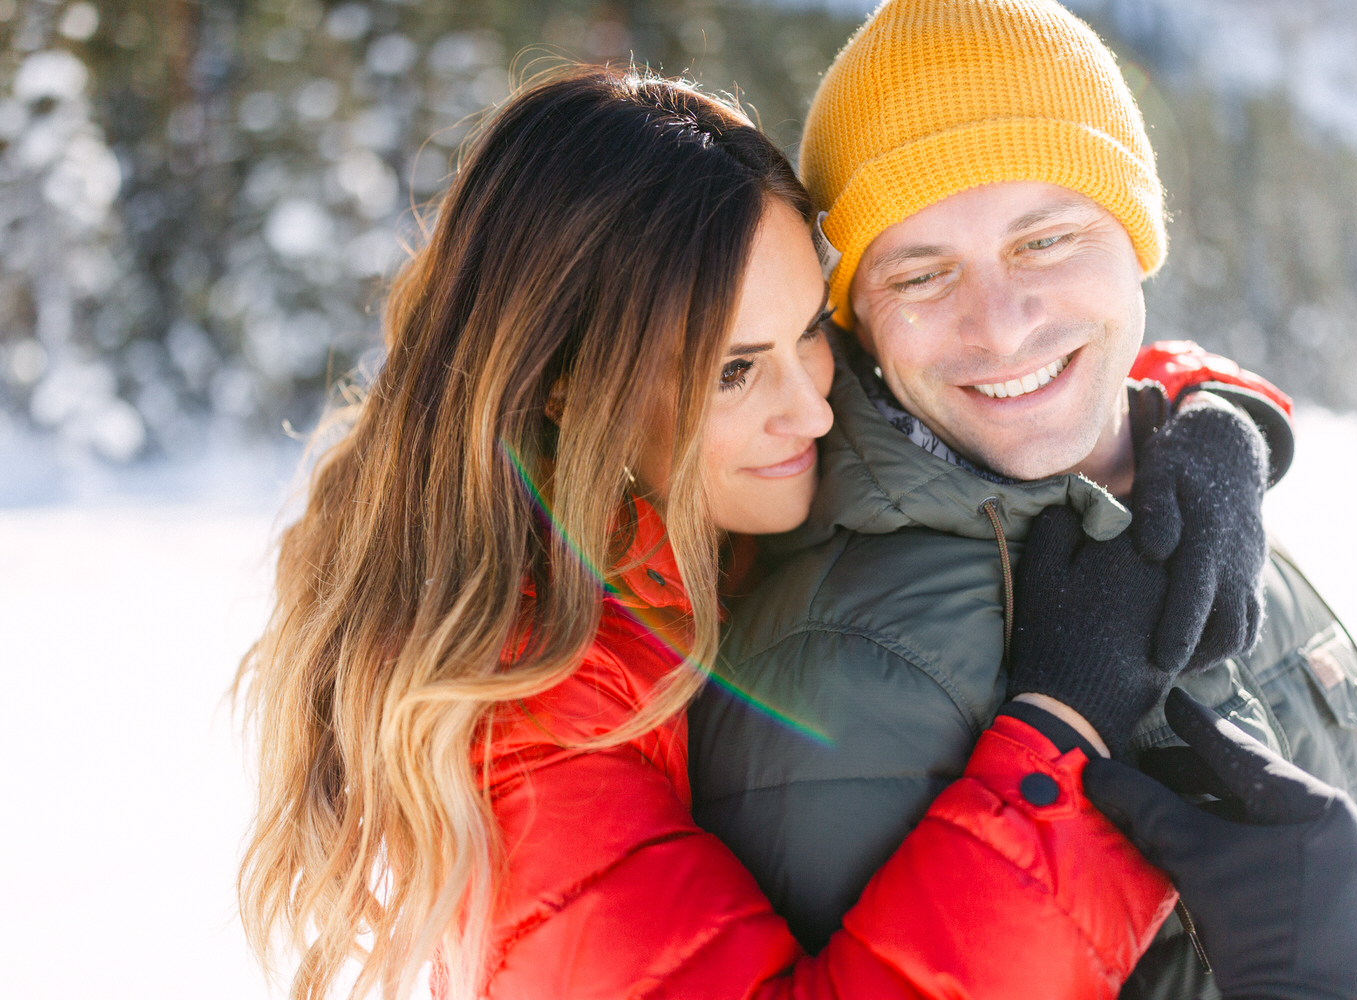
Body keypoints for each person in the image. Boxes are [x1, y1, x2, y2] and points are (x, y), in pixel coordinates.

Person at [235, 69, 1186, 1000]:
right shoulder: (522, 716)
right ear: (562, 383)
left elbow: (1031, 364)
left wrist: (1192, 425)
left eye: (811, 329)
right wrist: (1064, 741)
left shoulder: (692, 525)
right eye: (732, 372)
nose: (812, 412)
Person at [687, 1, 1357, 997]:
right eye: (921, 270)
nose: (997, 325)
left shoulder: (1204, 492)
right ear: (858, 317)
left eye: (1046, 241)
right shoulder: (845, 668)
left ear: (1138, 238)